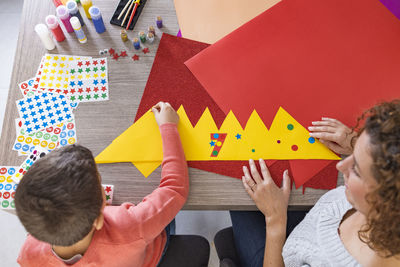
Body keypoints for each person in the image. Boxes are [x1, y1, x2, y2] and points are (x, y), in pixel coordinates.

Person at [15, 102, 207, 266]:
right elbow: (174, 188)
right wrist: (168, 127)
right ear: (98, 219)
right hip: (149, 255)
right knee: (163, 218)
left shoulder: (27, 255)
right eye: (99, 181)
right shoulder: (132, 225)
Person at [230, 100, 400, 267]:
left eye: (356, 169)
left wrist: (275, 220)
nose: (341, 165)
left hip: (277, 252)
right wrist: (361, 146)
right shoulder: (379, 206)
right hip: (308, 224)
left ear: (384, 195)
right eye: (352, 156)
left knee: (237, 182)